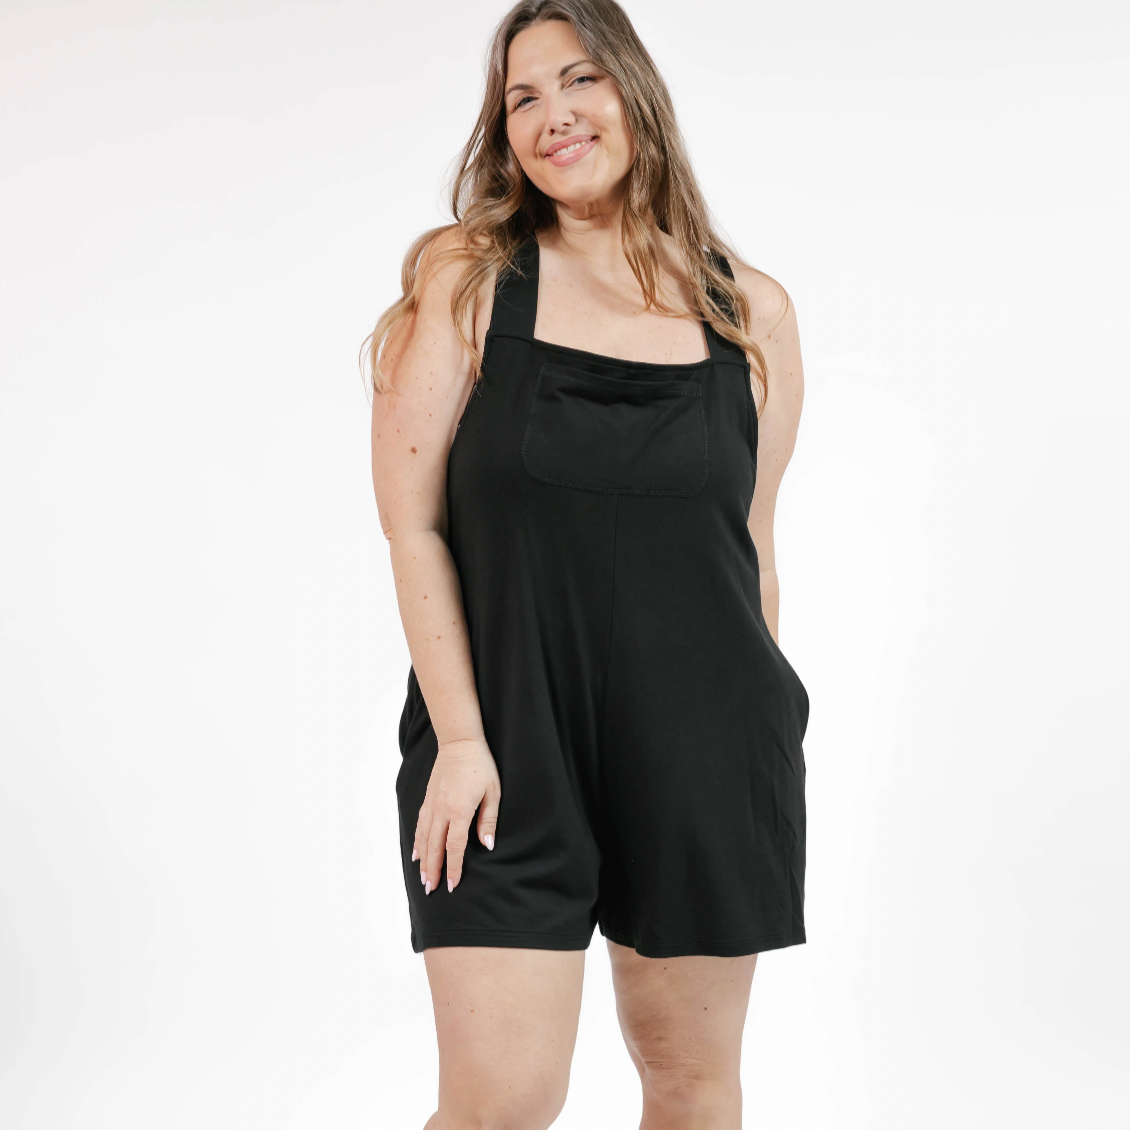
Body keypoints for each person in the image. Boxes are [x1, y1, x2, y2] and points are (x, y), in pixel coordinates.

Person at [364, 2, 810, 1126]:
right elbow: (411, 525)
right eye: (521, 98)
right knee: (503, 1100)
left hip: (704, 742)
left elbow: (750, 543)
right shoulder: (468, 281)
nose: (552, 115)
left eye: (578, 80)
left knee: (692, 1087)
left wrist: (762, 731)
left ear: (633, 91)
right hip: (504, 739)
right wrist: (460, 738)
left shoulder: (749, 313)